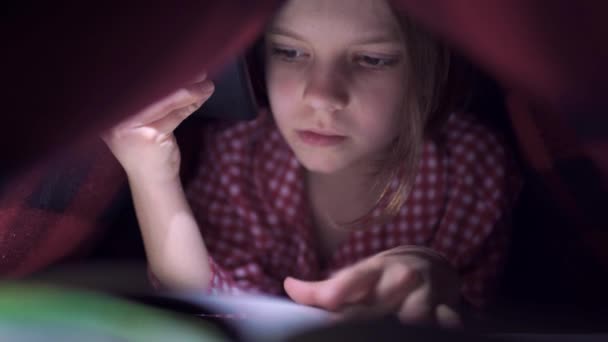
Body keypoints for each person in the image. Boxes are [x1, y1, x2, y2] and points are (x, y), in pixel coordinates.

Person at [103, 0, 521, 327]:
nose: (321, 96)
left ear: (431, 72)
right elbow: (209, 310)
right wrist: (150, 174)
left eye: (371, 59)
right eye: (290, 51)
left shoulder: (469, 170)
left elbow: (475, 316)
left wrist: (437, 279)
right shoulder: (237, 156)